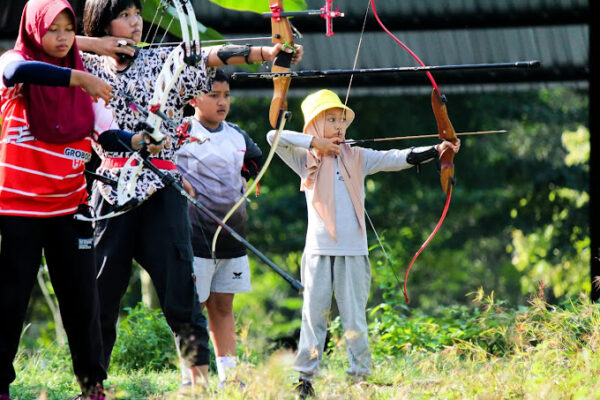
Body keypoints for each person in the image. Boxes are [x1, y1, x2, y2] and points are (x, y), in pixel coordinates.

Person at [77, 0, 303, 389]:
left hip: (161, 190)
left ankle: (198, 382)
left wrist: (269, 52)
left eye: (137, 15)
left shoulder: (164, 58)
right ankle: (92, 385)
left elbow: (210, 55)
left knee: (181, 288)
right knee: (99, 294)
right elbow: (32, 48)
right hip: (110, 191)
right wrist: (97, 46)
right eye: (125, 16)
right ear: (102, 20)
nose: (135, 24)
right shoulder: (83, 63)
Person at [266, 89, 461, 398]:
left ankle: (360, 377)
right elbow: (272, 135)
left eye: (342, 121)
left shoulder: (356, 155)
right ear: (314, 124)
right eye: (330, 120)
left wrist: (438, 149)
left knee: (354, 316)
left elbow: (396, 158)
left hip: (353, 252)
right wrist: (316, 144)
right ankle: (304, 380)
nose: (340, 127)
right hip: (318, 252)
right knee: (313, 316)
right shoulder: (305, 159)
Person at [0, 0, 122, 398]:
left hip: (70, 208)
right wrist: (77, 78)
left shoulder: (83, 82)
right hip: (17, 210)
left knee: (82, 301)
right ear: (36, 30)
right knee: (10, 300)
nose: (63, 37)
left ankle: (92, 385)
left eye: (69, 29)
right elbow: (16, 70)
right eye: (54, 28)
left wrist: (136, 142)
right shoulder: (17, 64)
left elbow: (106, 136)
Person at [175, 69, 262, 389]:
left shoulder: (237, 134)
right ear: (193, 98)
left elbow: (255, 158)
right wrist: (178, 177)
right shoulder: (179, 130)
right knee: (191, 308)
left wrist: (244, 177)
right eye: (214, 95)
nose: (222, 101)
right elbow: (161, 163)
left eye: (226, 95)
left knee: (224, 307)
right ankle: (191, 377)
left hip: (232, 238)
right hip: (193, 238)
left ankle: (230, 376)